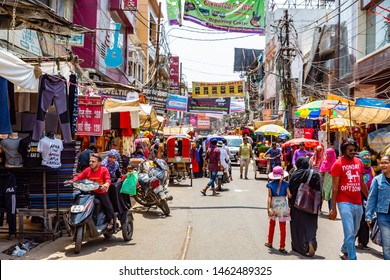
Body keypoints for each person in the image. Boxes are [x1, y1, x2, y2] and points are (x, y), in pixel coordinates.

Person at [329, 138, 369, 260]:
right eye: (350, 150)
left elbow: (362, 183)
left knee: (355, 231)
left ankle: (345, 248)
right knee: (349, 232)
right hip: (344, 201)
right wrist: (333, 208)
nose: (353, 152)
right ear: (344, 150)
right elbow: (334, 188)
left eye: (354, 150)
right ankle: (352, 258)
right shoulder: (337, 164)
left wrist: (370, 199)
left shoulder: (359, 162)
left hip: (358, 202)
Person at [67, 154, 115, 229]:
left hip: (101, 193)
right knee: (77, 200)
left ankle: (111, 220)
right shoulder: (87, 170)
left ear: (99, 163)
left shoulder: (104, 170)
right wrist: (71, 181)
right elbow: (79, 177)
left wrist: (106, 185)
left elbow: (108, 179)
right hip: (90, 192)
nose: (91, 163)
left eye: (93, 161)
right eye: (90, 161)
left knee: (107, 205)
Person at [289, 157, 321, 257]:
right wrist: (319, 205)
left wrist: (290, 202)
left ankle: (298, 246)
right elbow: (319, 190)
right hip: (312, 204)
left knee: (297, 225)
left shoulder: (295, 174)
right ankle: (311, 241)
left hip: (297, 203)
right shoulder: (315, 174)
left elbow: (291, 189)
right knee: (311, 223)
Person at [365, 154, 390, 260]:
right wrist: (368, 216)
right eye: (382, 163)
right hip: (383, 216)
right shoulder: (377, 180)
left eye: (386, 163)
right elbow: (371, 198)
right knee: (387, 244)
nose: (383, 165)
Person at [264, 166, 291, 254]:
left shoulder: (270, 185)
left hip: (273, 205)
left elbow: (269, 197)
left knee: (272, 224)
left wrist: (268, 208)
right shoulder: (286, 184)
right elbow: (289, 195)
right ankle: (282, 246)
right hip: (283, 205)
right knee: (283, 227)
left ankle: (270, 242)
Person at [355, 150, 376, 250]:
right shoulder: (359, 168)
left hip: (369, 197)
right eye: (365, 155)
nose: (367, 157)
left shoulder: (371, 169)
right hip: (359, 196)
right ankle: (352, 240)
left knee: (366, 220)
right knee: (359, 219)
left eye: (368, 156)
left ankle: (363, 242)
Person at [318, 148, 337, 214]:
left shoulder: (336, 163)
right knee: (321, 196)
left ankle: (331, 211)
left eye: (330, 154)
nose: (328, 156)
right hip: (324, 182)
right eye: (327, 154)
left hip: (333, 182)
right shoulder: (324, 162)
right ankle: (319, 209)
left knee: (331, 196)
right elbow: (321, 172)